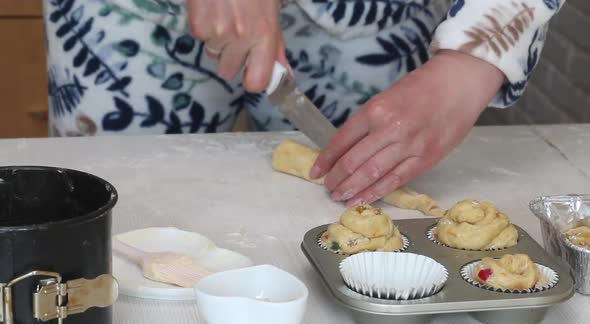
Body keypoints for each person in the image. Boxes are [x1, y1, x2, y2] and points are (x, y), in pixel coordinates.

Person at [43, 0, 565, 206]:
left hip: (371, 19)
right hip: (123, 19)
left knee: (373, 211)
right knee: (115, 219)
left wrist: (473, 59)